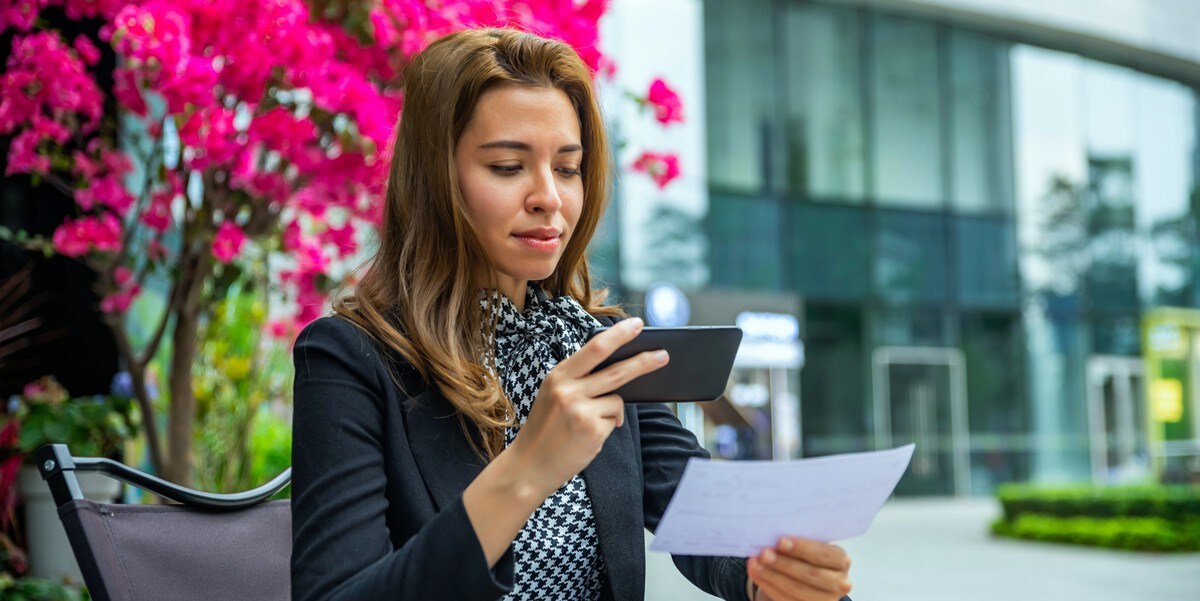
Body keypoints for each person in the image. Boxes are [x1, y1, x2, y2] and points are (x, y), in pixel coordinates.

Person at [290, 27, 854, 601]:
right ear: (436, 182)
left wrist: (775, 578)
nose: (549, 197)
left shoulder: (600, 344)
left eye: (567, 168)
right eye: (508, 166)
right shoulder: (350, 359)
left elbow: (706, 523)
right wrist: (527, 468)